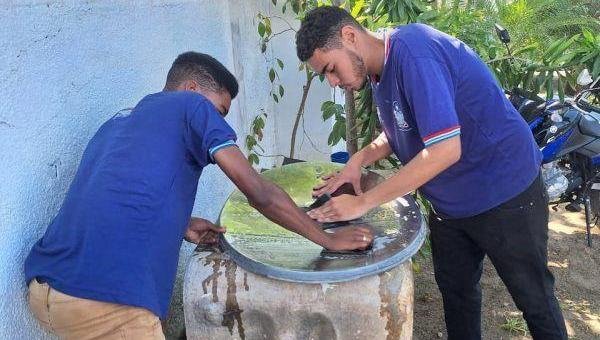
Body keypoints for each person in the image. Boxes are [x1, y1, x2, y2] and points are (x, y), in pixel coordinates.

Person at [24, 51, 373, 339]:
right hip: (106, 299)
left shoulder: (116, 124)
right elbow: (259, 191)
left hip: (46, 291)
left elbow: (108, 197)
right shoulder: (192, 107)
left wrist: (180, 224)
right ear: (191, 88)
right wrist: (327, 240)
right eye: (219, 111)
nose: (217, 121)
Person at [296, 6, 567, 340]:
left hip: (503, 189)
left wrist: (363, 202)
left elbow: (444, 149)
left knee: (534, 299)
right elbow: (399, 131)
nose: (334, 82)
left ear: (349, 36)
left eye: (331, 69)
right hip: (450, 206)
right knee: (457, 296)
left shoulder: (415, 54)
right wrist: (358, 160)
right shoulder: (379, 74)